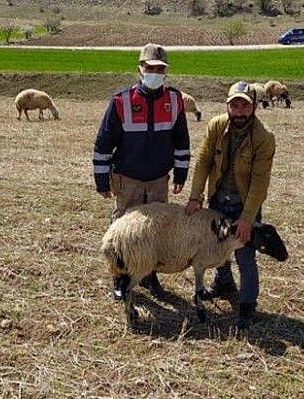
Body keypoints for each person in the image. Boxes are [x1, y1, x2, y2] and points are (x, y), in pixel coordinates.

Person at [93, 43, 191, 300]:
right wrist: (101, 179)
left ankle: (149, 276)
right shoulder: (121, 101)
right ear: (140, 68)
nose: (155, 73)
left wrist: (180, 175)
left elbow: (182, 141)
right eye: (150, 68)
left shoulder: (174, 100)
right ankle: (120, 276)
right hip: (128, 179)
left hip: (159, 179)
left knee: (156, 230)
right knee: (124, 229)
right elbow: (104, 143)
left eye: (160, 69)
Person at [185, 81, 276, 329]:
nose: (239, 111)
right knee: (217, 248)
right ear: (227, 105)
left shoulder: (264, 138)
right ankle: (223, 282)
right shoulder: (216, 125)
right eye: (234, 105)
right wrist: (195, 196)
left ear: (254, 107)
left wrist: (247, 218)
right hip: (217, 200)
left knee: (245, 256)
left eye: (244, 106)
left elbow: (260, 182)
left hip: (245, 203)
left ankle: (247, 306)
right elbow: (204, 161)